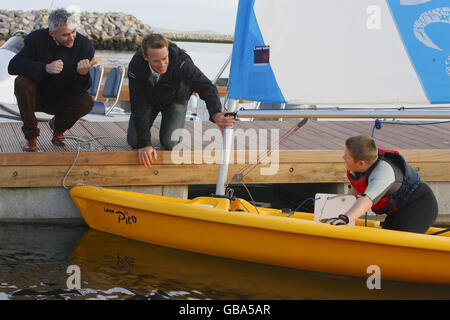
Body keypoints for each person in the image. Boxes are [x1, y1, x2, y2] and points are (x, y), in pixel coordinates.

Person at [127, 33, 235, 167]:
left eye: (165, 58)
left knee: (169, 142)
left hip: (175, 99)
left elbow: (205, 86)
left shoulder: (180, 61)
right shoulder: (136, 65)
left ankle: (175, 129)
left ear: (168, 51)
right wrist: (145, 145)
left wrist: (215, 113)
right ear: (145, 57)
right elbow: (138, 105)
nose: (162, 64)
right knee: (134, 141)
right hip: (149, 100)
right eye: (156, 61)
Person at [8, 8, 95, 152]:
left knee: (87, 102)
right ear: (51, 33)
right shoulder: (36, 39)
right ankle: (31, 138)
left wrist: (83, 74)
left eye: (73, 32)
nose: (72, 38)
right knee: (22, 82)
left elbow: (82, 89)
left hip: (63, 98)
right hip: (37, 97)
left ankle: (58, 128)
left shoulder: (85, 46)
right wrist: (44, 68)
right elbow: (13, 66)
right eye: (66, 34)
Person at [321, 135, 438, 234]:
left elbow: (366, 200)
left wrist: (345, 219)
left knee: (397, 247)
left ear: (361, 163)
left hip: (419, 205)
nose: (343, 158)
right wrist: (337, 218)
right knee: (389, 240)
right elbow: (353, 194)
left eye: (347, 156)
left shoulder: (383, 173)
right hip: (397, 211)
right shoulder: (361, 166)